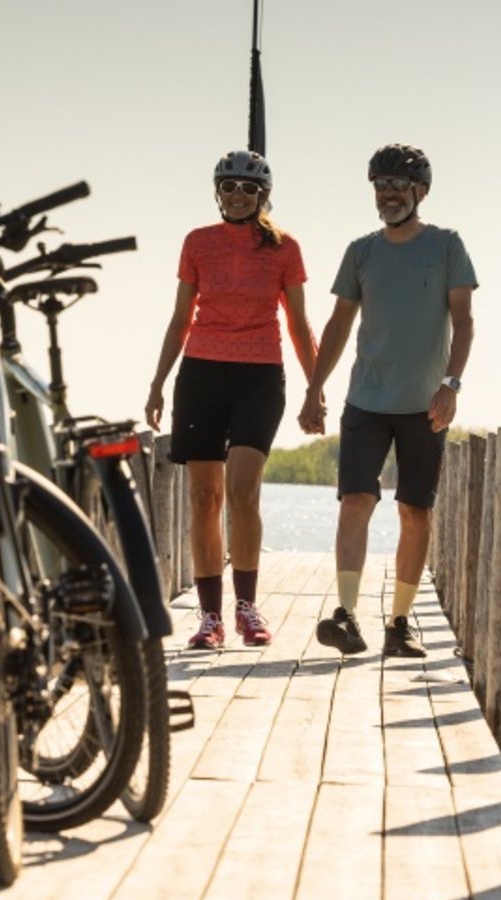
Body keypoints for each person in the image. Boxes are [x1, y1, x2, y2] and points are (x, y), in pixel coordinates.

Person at [299, 143, 476, 657]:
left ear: (421, 191)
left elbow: (464, 323)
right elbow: (337, 325)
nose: (389, 194)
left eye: (399, 185)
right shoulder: (361, 252)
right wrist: (314, 387)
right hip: (366, 402)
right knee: (355, 500)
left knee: (414, 511)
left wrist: (452, 385)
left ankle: (399, 625)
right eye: (381, 185)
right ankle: (347, 616)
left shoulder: (447, 246)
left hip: (426, 405)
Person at [147, 149, 320, 649]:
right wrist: (158, 382)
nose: (238, 195)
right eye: (229, 187)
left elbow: (299, 323)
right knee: (205, 498)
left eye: (248, 188)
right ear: (217, 192)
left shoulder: (285, 248)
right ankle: (209, 618)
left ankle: (246, 608)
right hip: (201, 373)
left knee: (243, 492)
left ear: (264, 196)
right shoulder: (198, 243)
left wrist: (314, 388)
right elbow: (181, 318)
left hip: (260, 376)